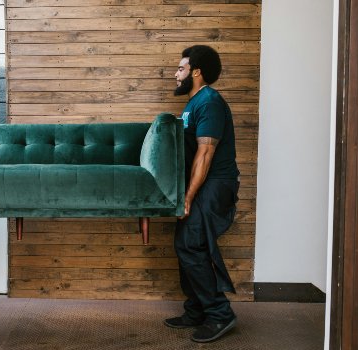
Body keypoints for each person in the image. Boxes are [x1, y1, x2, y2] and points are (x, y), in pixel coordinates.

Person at [163, 45, 241, 343]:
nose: (176, 73)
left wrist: (188, 196)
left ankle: (220, 313)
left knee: (191, 244)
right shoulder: (193, 103)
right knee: (186, 244)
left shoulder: (209, 102)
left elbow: (205, 154)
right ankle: (196, 309)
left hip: (215, 183)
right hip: (202, 183)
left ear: (196, 71)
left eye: (181, 68)